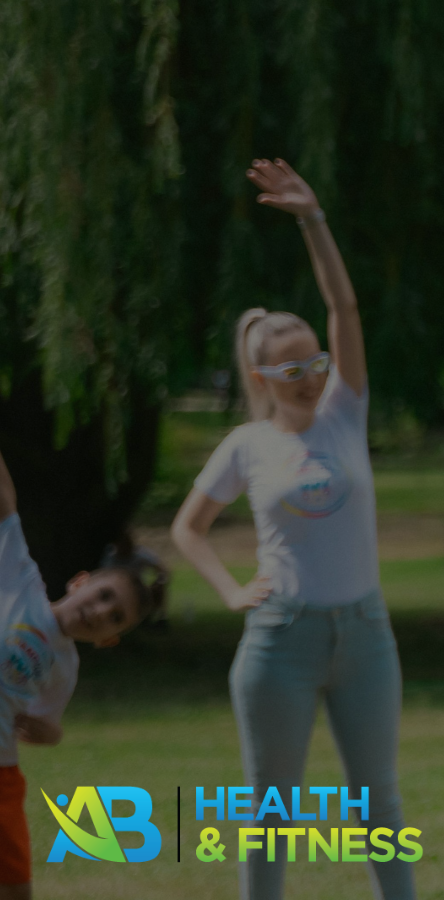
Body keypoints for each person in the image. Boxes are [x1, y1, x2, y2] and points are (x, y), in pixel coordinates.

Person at [167, 158, 417, 900]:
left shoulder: (347, 411)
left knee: (379, 801)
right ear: (263, 379)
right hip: (280, 640)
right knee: (270, 810)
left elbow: (345, 307)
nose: (310, 374)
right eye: (291, 368)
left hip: (367, 635)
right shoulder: (248, 446)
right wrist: (230, 590)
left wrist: (313, 218)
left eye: (314, 360)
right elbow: (188, 529)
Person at [0, 449, 166, 899]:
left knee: (15, 885)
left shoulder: (64, 668)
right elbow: (5, 500)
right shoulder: (20, 581)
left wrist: (43, 730)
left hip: (2, 772)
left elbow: (51, 725)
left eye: (115, 618)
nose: (101, 612)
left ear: (107, 641)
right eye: (104, 595)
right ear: (80, 581)